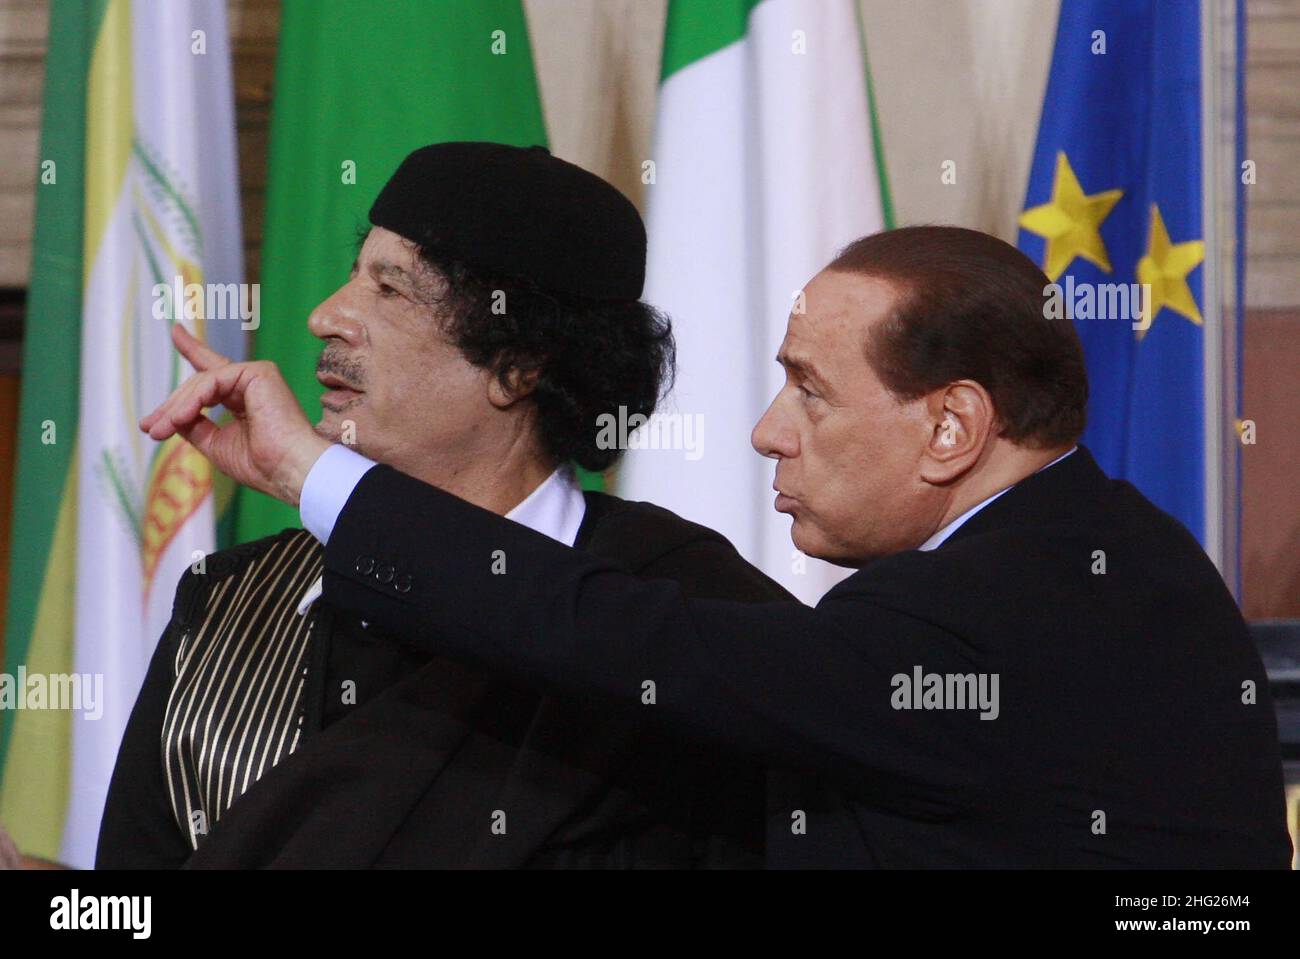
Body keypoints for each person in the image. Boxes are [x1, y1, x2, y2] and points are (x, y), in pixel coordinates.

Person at [142, 224, 1292, 868]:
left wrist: (310, 472)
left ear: (952, 424)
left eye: (809, 391)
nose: (764, 432)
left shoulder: (993, 613)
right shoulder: (1104, 556)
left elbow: (624, 634)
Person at [100, 142, 791, 869]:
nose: (324, 316)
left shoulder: (689, 615)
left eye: (390, 290)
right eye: (351, 274)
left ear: (518, 364)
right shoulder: (230, 608)